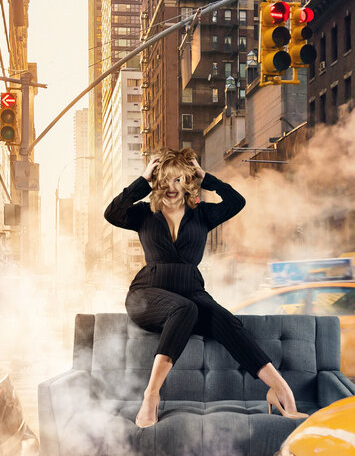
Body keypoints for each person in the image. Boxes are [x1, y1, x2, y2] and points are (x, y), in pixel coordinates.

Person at [104, 148, 306, 427]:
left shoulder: (202, 215)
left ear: (187, 182)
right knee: (184, 308)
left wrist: (205, 176)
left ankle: (279, 389)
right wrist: (142, 179)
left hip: (191, 292)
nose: (172, 187)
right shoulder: (143, 215)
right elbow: (111, 212)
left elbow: (237, 201)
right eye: (166, 180)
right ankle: (151, 395)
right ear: (157, 182)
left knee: (226, 320)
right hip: (147, 294)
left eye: (179, 180)